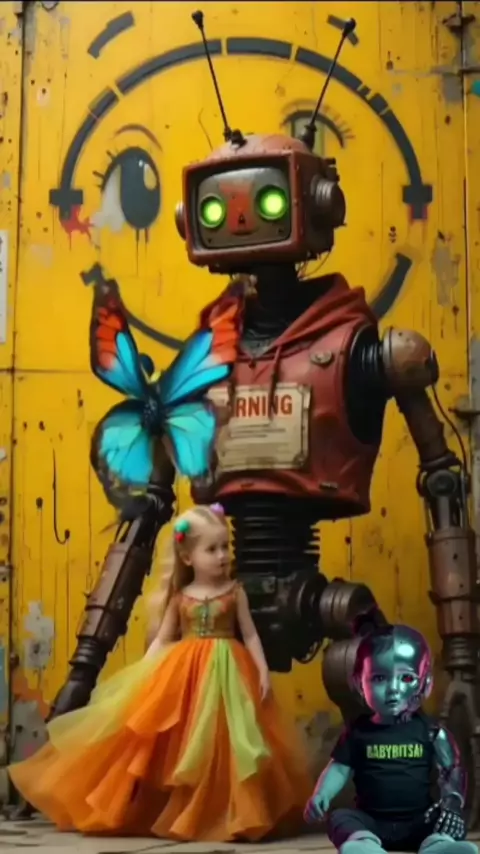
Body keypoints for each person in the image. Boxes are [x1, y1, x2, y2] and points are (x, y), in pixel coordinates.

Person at [8, 503, 312, 841]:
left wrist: (262, 669)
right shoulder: (181, 597)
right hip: (184, 672)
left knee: (229, 740)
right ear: (188, 557)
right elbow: (164, 639)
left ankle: (227, 811)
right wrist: (145, 672)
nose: (222, 556)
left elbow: (251, 634)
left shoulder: (234, 592)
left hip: (230, 673)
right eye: (212, 549)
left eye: (225, 546)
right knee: (182, 741)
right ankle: (180, 809)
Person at [304, 618, 478, 854]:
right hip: (371, 822)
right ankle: (364, 844)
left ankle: (439, 846)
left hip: (420, 821)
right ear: (358, 683)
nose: (393, 688)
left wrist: (452, 803)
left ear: (425, 683)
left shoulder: (431, 732)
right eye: (379, 678)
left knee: (447, 819)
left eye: (406, 678)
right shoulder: (358, 732)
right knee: (340, 817)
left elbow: (453, 770)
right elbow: (340, 768)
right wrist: (321, 794)